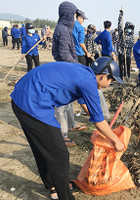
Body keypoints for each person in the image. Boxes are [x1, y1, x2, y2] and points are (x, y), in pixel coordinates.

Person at [11, 57, 124, 200]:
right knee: (60, 154)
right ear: (103, 75)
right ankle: (64, 195)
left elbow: (87, 106)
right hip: (32, 103)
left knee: (43, 148)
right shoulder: (88, 82)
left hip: (22, 97)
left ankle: (53, 186)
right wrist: (115, 140)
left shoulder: (85, 72)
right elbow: (99, 122)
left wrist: (99, 121)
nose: (108, 85)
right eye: (110, 81)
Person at [52, 1, 87, 147]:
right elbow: (64, 54)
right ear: (67, 14)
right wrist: (78, 66)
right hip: (63, 70)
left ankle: (71, 124)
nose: (74, 18)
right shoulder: (63, 30)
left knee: (69, 99)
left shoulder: (65, 28)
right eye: (73, 15)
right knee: (61, 104)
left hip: (67, 68)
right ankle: (62, 135)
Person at [117, 10, 135, 80]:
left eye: (131, 28)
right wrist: (121, 16)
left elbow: (132, 44)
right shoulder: (122, 33)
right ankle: (121, 77)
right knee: (121, 66)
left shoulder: (131, 36)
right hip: (121, 52)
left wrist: (127, 46)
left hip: (128, 53)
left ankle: (128, 77)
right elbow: (119, 24)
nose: (129, 30)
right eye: (129, 28)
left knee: (127, 66)